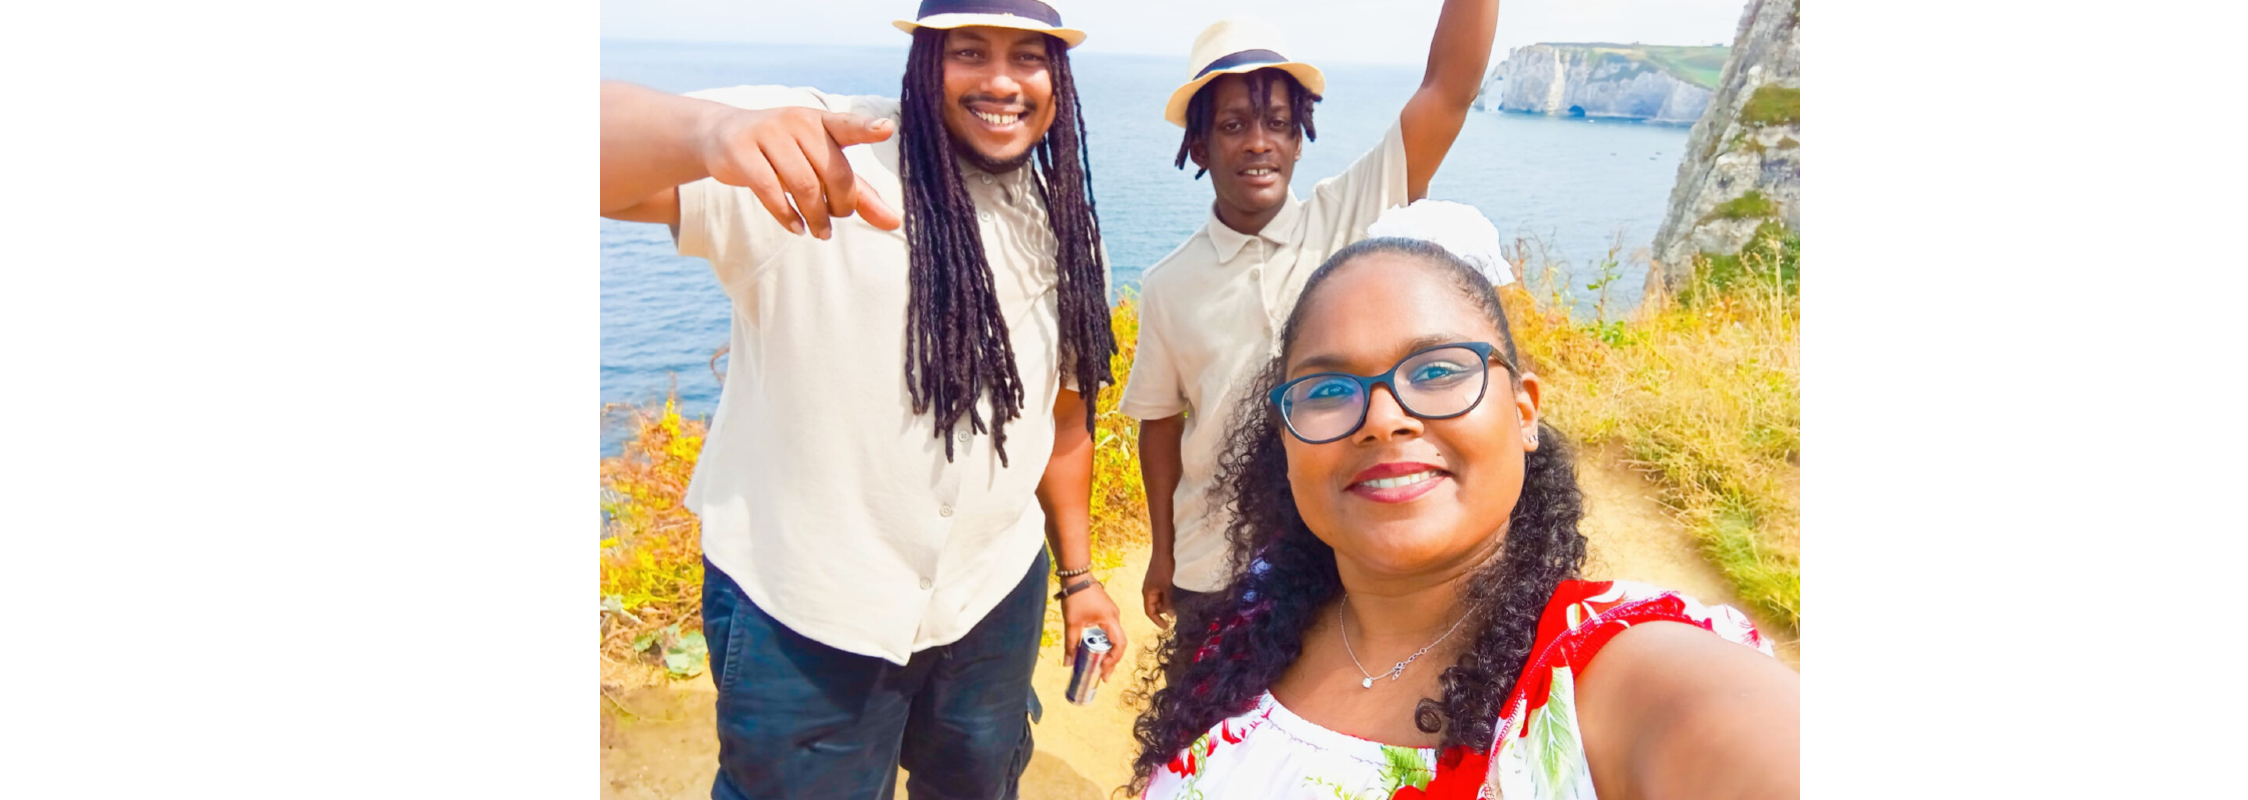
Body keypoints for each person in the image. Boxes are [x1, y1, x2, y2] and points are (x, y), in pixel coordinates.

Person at [595, 2, 1127, 797]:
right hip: (806, 612)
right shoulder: (827, 153)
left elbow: (1061, 423)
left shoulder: (1066, 230)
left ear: (1060, 77)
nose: (1002, 81)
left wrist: (1079, 579)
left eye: (1029, 56)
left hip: (991, 598)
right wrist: (706, 132)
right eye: (969, 52)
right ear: (923, 63)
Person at [1125, 237, 1799, 798]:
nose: (1385, 419)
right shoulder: (1251, 625)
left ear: (1523, 411)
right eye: (1329, 389)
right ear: (1286, 440)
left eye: (1439, 371)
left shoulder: (1615, 678)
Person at [1120, 2, 1501, 632]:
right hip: (1211, 568)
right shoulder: (1168, 284)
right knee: (1208, 726)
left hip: (1343, 553)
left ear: (1300, 137)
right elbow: (1160, 425)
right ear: (1199, 143)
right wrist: (1162, 551)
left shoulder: (1354, 212)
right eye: (1234, 125)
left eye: (1277, 121)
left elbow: (1449, 90)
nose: (1258, 141)